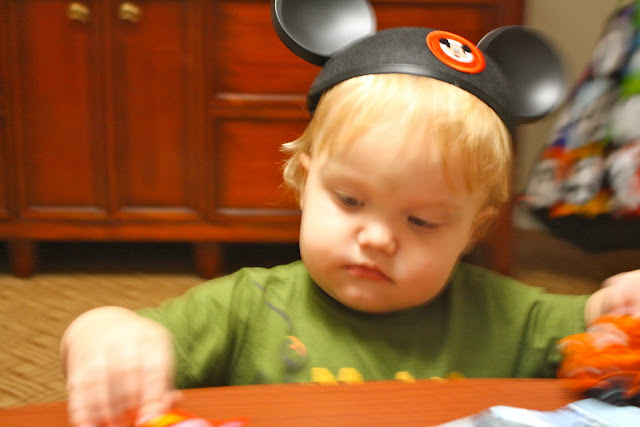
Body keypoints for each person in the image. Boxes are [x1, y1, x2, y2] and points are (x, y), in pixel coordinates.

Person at [60, 21, 640, 427]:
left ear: (473, 230)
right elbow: (121, 333)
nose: (379, 238)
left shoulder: (510, 315)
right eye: (350, 200)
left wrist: (621, 301)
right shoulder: (244, 308)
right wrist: (106, 334)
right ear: (302, 180)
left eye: (422, 221)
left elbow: (603, 324)